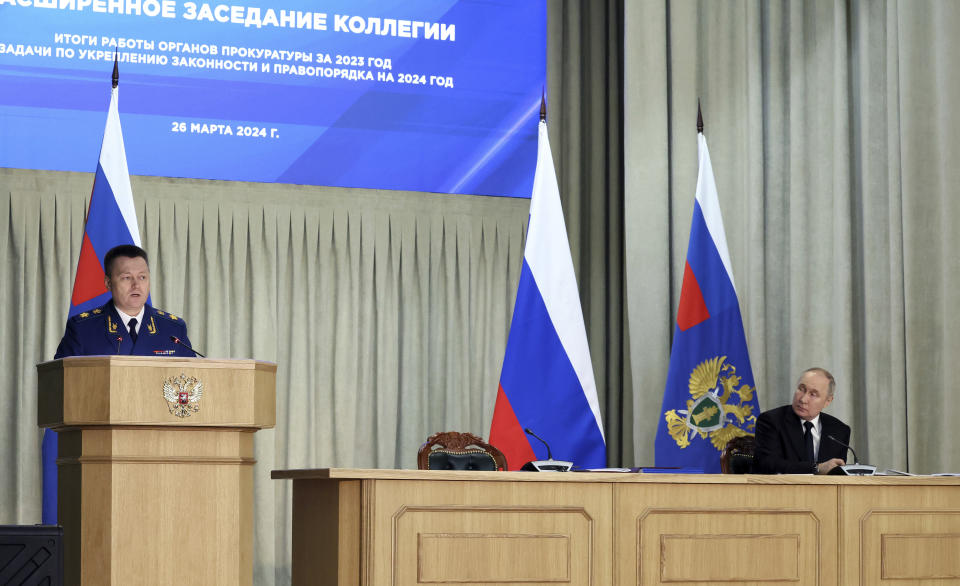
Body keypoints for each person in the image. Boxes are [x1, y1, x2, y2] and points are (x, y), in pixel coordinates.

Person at [54, 244, 196, 359]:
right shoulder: (83, 328)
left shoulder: (173, 329)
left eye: (142, 277)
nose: (136, 285)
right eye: (127, 278)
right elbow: (63, 380)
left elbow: (192, 379)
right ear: (108, 283)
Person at [754, 367, 850, 474]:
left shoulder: (839, 430)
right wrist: (816, 468)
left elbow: (837, 473)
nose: (803, 399)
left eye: (813, 394)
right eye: (801, 389)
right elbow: (768, 464)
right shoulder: (771, 421)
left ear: (828, 401)